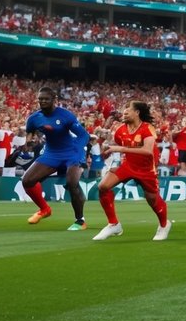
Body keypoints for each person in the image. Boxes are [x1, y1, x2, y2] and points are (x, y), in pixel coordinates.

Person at [93, 101, 172, 241]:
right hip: (128, 165)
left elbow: (147, 151)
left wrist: (119, 149)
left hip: (147, 169)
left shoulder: (148, 128)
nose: (124, 112)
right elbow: (118, 142)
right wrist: (107, 144)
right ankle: (113, 224)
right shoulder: (120, 130)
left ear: (137, 112)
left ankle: (164, 225)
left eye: (128, 109)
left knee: (153, 199)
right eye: (124, 110)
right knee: (103, 186)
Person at [21, 87, 90, 230]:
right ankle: (44, 209)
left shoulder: (66, 115)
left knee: (72, 183)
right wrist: (28, 141)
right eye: (40, 99)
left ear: (54, 100)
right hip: (52, 153)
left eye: (46, 99)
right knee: (27, 181)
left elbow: (84, 135)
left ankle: (80, 221)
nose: (43, 101)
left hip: (72, 152)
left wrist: (79, 151)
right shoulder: (34, 118)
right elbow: (30, 132)